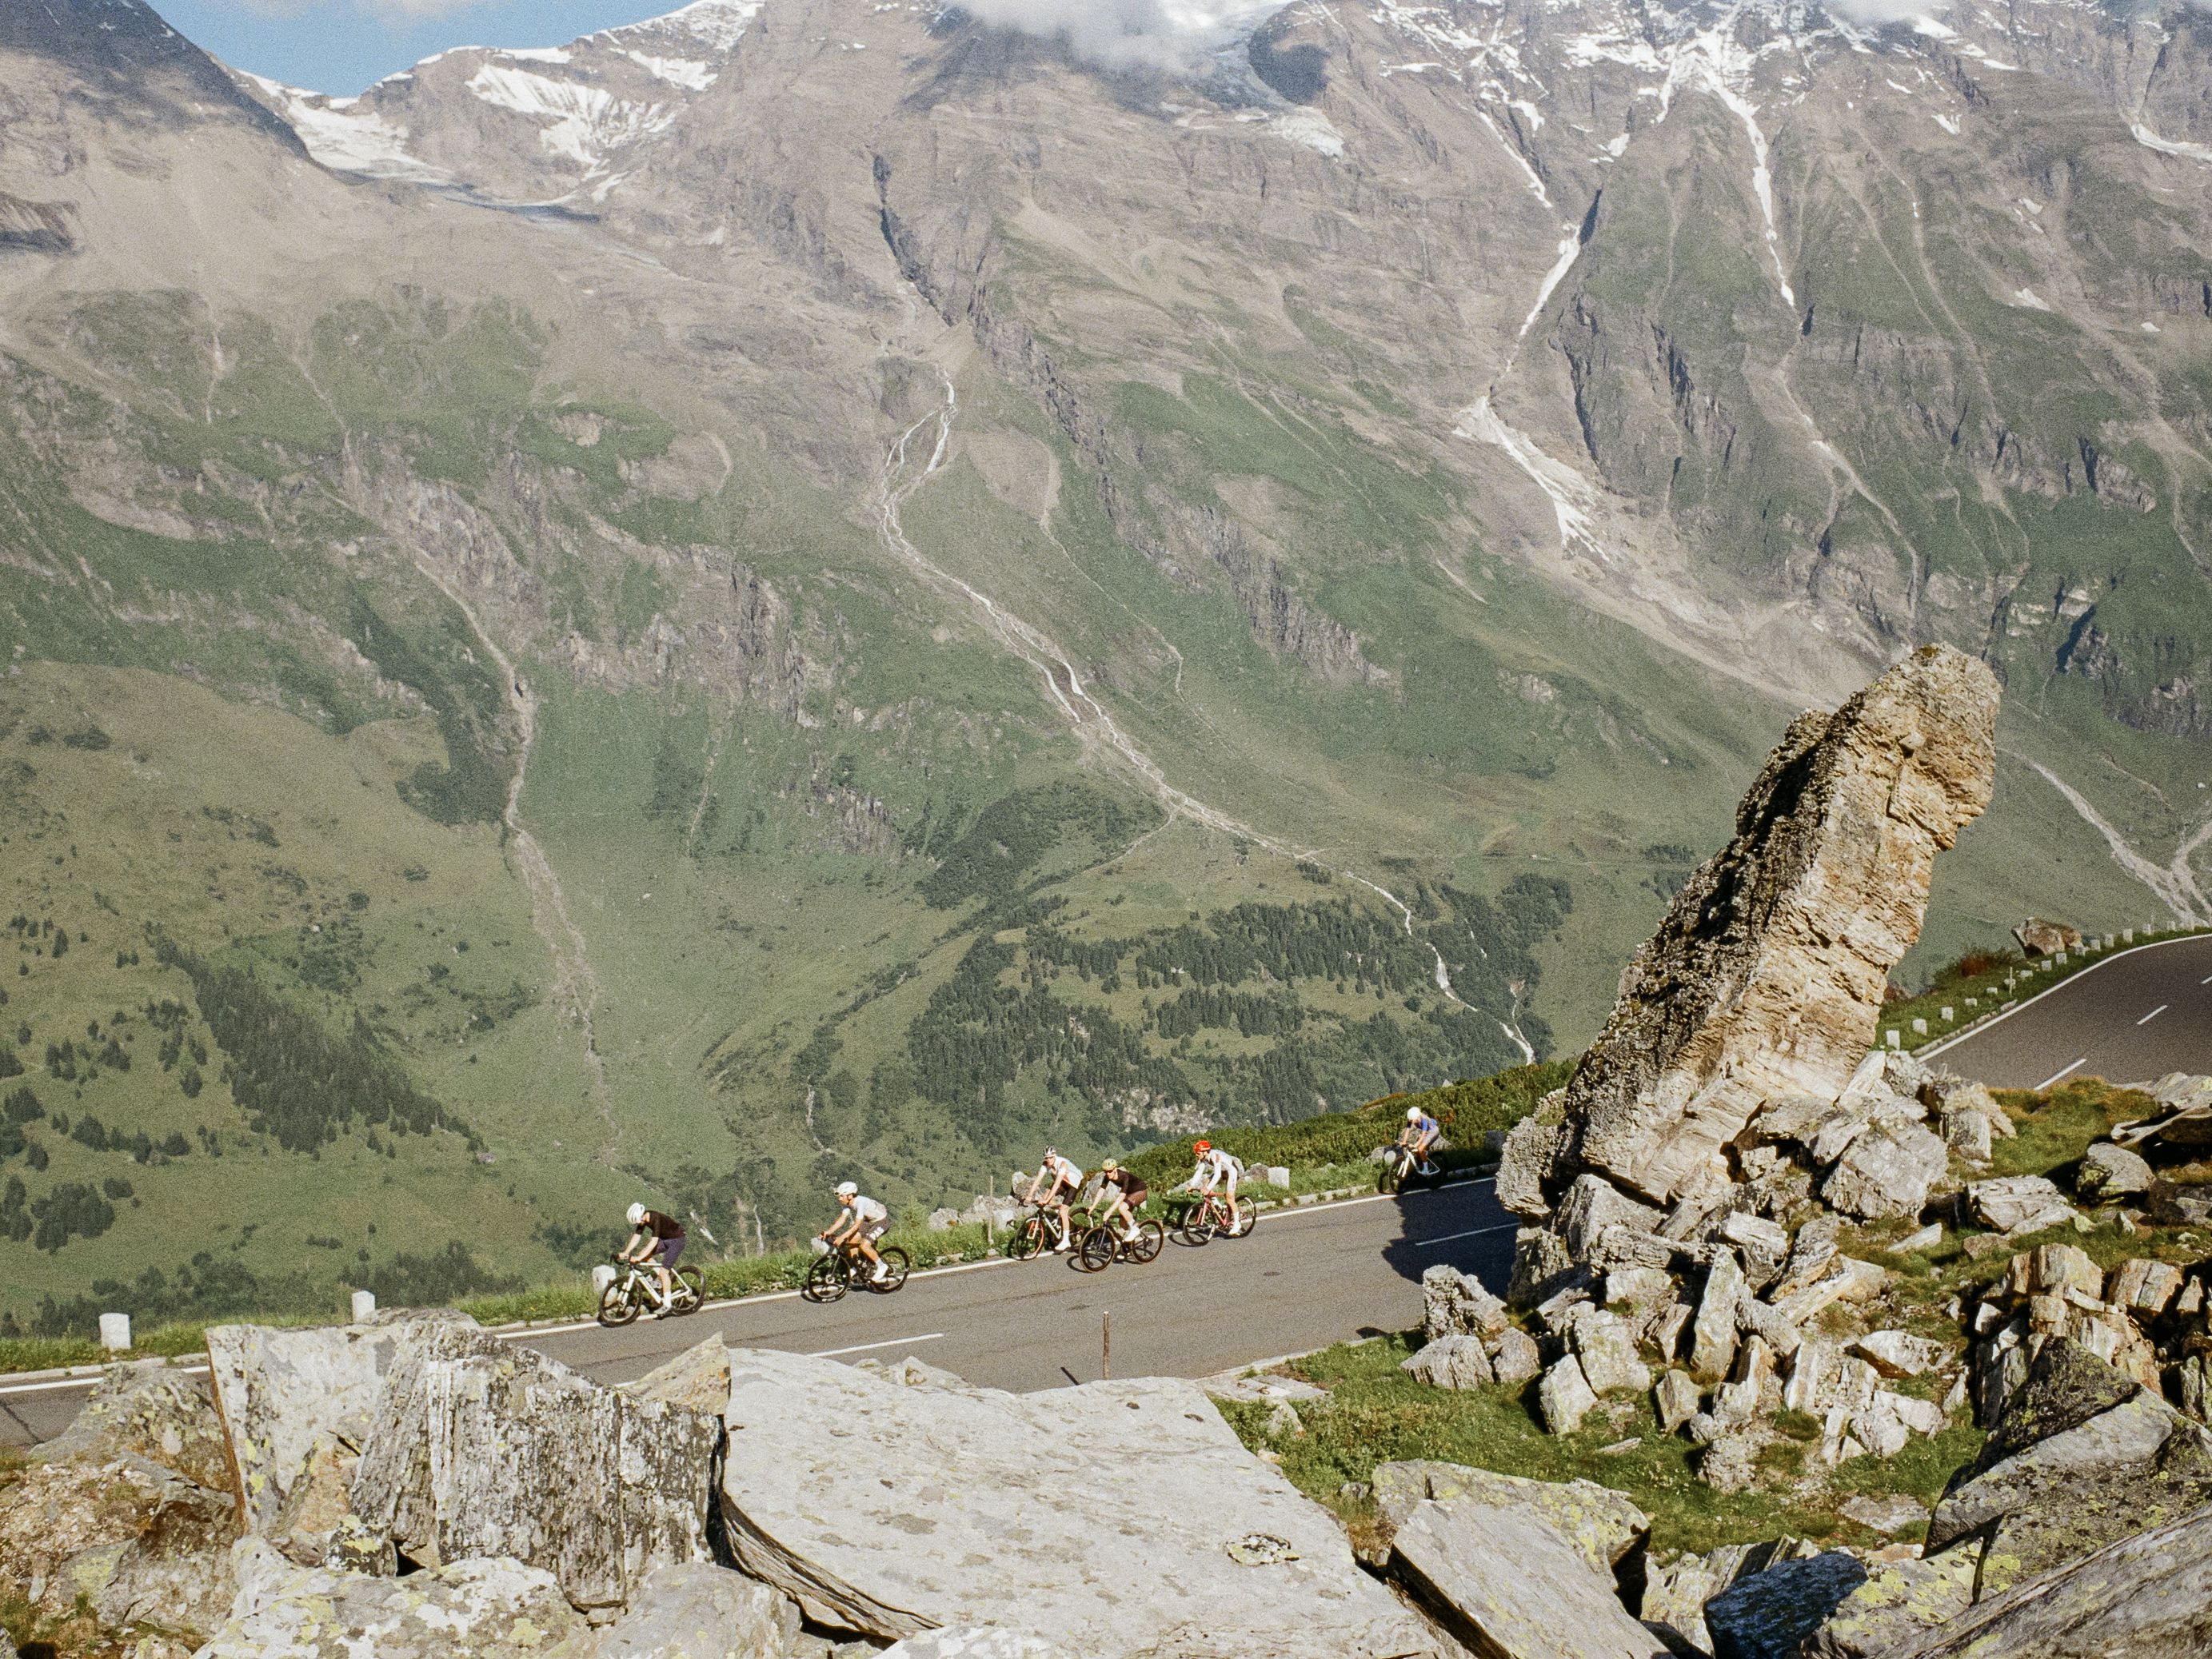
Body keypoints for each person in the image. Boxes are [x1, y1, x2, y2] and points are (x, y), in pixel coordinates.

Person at [619, 1201, 685, 1313]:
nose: (638, 1225)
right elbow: (636, 1237)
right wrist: (626, 1252)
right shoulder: (644, 1219)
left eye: (637, 1222)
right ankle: (660, 1279)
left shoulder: (655, 1218)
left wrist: (638, 1259)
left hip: (677, 1240)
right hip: (665, 1240)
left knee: (664, 1272)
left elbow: (653, 1242)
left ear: (641, 1217)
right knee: (642, 1254)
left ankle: (667, 1305)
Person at [821, 1180, 892, 1282]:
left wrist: (841, 1237)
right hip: (869, 1221)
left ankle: (882, 1266)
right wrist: (829, 1231)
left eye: (842, 1196)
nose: (840, 1199)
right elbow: (842, 1219)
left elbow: (857, 1225)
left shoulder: (860, 1203)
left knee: (864, 1245)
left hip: (881, 1221)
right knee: (852, 1241)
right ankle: (857, 1265)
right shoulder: (848, 1203)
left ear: (850, 1196)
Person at [1028, 1147, 1087, 1252]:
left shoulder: (1062, 1164)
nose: (1049, 1160)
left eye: (1051, 1157)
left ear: (1055, 1156)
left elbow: (1056, 1185)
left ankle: (1066, 1241)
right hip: (1064, 1182)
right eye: (1046, 1158)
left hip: (1074, 1183)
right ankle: (1060, 1213)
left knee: (1062, 1210)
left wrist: (1046, 1202)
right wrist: (1029, 1195)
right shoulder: (1045, 1164)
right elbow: (1037, 1180)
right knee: (1045, 1196)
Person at [1188, 1139, 1244, 1234]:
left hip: (1231, 1172)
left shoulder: (1215, 1156)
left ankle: (1237, 1224)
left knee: (1229, 1198)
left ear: (1205, 1152)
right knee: (1205, 1183)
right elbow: (1199, 1172)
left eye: (1198, 1153)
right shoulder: (1204, 1158)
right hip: (1223, 1171)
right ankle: (1219, 1207)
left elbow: (1217, 1175)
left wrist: (1208, 1189)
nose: (1196, 1155)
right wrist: (1192, 1185)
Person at [1092, 1157, 1149, 1242]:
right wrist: (1093, 1206)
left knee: (1122, 1208)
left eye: (1110, 1171)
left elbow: (1122, 1196)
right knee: (1122, 1223)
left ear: (1115, 1169)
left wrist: (1109, 1211)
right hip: (1131, 1194)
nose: (1108, 1173)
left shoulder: (1124, 1176)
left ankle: (1135, 1229)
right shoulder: (1107, 1176)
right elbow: (1101, 1191)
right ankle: (1127, 1248)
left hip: (1140, 1191)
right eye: (1105, 1171)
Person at [1401, 1104, 1441, 1173]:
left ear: (1416, 1117)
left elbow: (1422, 1136)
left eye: (1411, 1119)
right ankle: (1423, 1161)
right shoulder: (1412, 1119)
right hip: (1426, 1132)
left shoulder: (1424, 1120)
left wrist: (1416, 1145)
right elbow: (1407, 1130)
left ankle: (1426, 1169)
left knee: (1420, 1148)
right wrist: (1404, 1142)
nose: (1410, 1121)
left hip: (1433, 1131)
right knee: (1417, 1150)